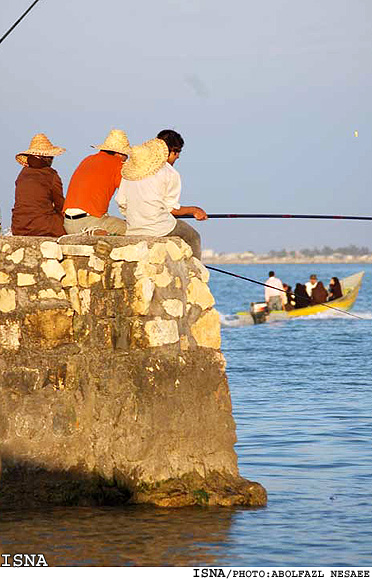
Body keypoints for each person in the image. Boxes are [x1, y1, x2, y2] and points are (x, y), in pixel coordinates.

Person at [116, 129, 207, 259]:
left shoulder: (130, 171)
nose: (178, 157)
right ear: (172, 151)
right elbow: (171, 209)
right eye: (177, 153)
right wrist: (194, 210)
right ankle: (196, 273)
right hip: (159, 228)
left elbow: (121, 202)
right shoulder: (170, 173)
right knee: (192, 236)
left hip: (133, 227)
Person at [63, 129, 130, 235]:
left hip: (68, 223)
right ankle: (94, 232)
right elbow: (127, 196)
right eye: (126, 157)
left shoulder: (87, 159)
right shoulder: (117, 164)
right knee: (132, 230)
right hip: (91, 221)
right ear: (119, 154)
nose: (126, 161)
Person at [12, 133, 66, 237]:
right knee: (68, 226)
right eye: (51, 158)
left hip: (18, 226)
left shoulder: (23, 174)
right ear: (46, 158)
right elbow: (60, 205)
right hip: (41, 226)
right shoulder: (51, 174)